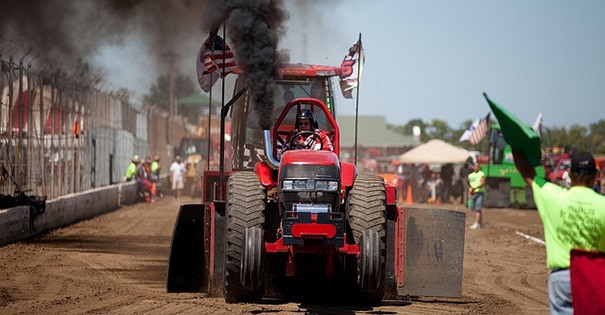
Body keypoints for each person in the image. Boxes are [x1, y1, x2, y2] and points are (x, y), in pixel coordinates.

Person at [513, 149, 605, 314]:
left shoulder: (552, 195)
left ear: (570, 173)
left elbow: (528, 174)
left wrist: (514, 142)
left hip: (562, 278)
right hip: (595, 277)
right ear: (596, 175)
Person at [468, 162, 486, 229]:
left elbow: (482, 182)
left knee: (478, 209)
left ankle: (477, 223)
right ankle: (479, 223)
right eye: (475, 166)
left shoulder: (481, 174)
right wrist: (469, 194)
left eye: (477, 166)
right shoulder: (470, 175)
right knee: (474, 208)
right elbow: (470, 185)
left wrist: (475, 188)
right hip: (472, 193)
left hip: (479, 193)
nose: (476, 167)